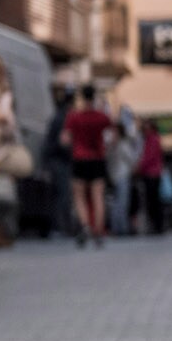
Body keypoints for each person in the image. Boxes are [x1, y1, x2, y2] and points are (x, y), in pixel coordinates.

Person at [61, 86, 113, 248]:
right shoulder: (101, 117)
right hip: (98, 159)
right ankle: (98, 231)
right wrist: (106, 148)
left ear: (82, 97)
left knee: (79, 196)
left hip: (80, 159)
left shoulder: (73, 117)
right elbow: (113, 135)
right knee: (98, 196)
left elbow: (65, 139)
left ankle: (85, 227)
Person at [106, 105, 141, 237]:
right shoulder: (123, 144)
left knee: (116, 203)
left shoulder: (112, 146)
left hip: (114, 176)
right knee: (122, 203)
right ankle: (121, 228)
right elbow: (132, 160)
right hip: (123, 176)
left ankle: (117, 227)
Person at [137, 121, 165, 235]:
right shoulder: (152, 139)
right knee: (153, 201)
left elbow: (149, 157)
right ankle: (156, 225)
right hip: (152, 173)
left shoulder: (152, 139)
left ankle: (157, 225)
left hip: (151, 174)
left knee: (152, 201)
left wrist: (139, 168)